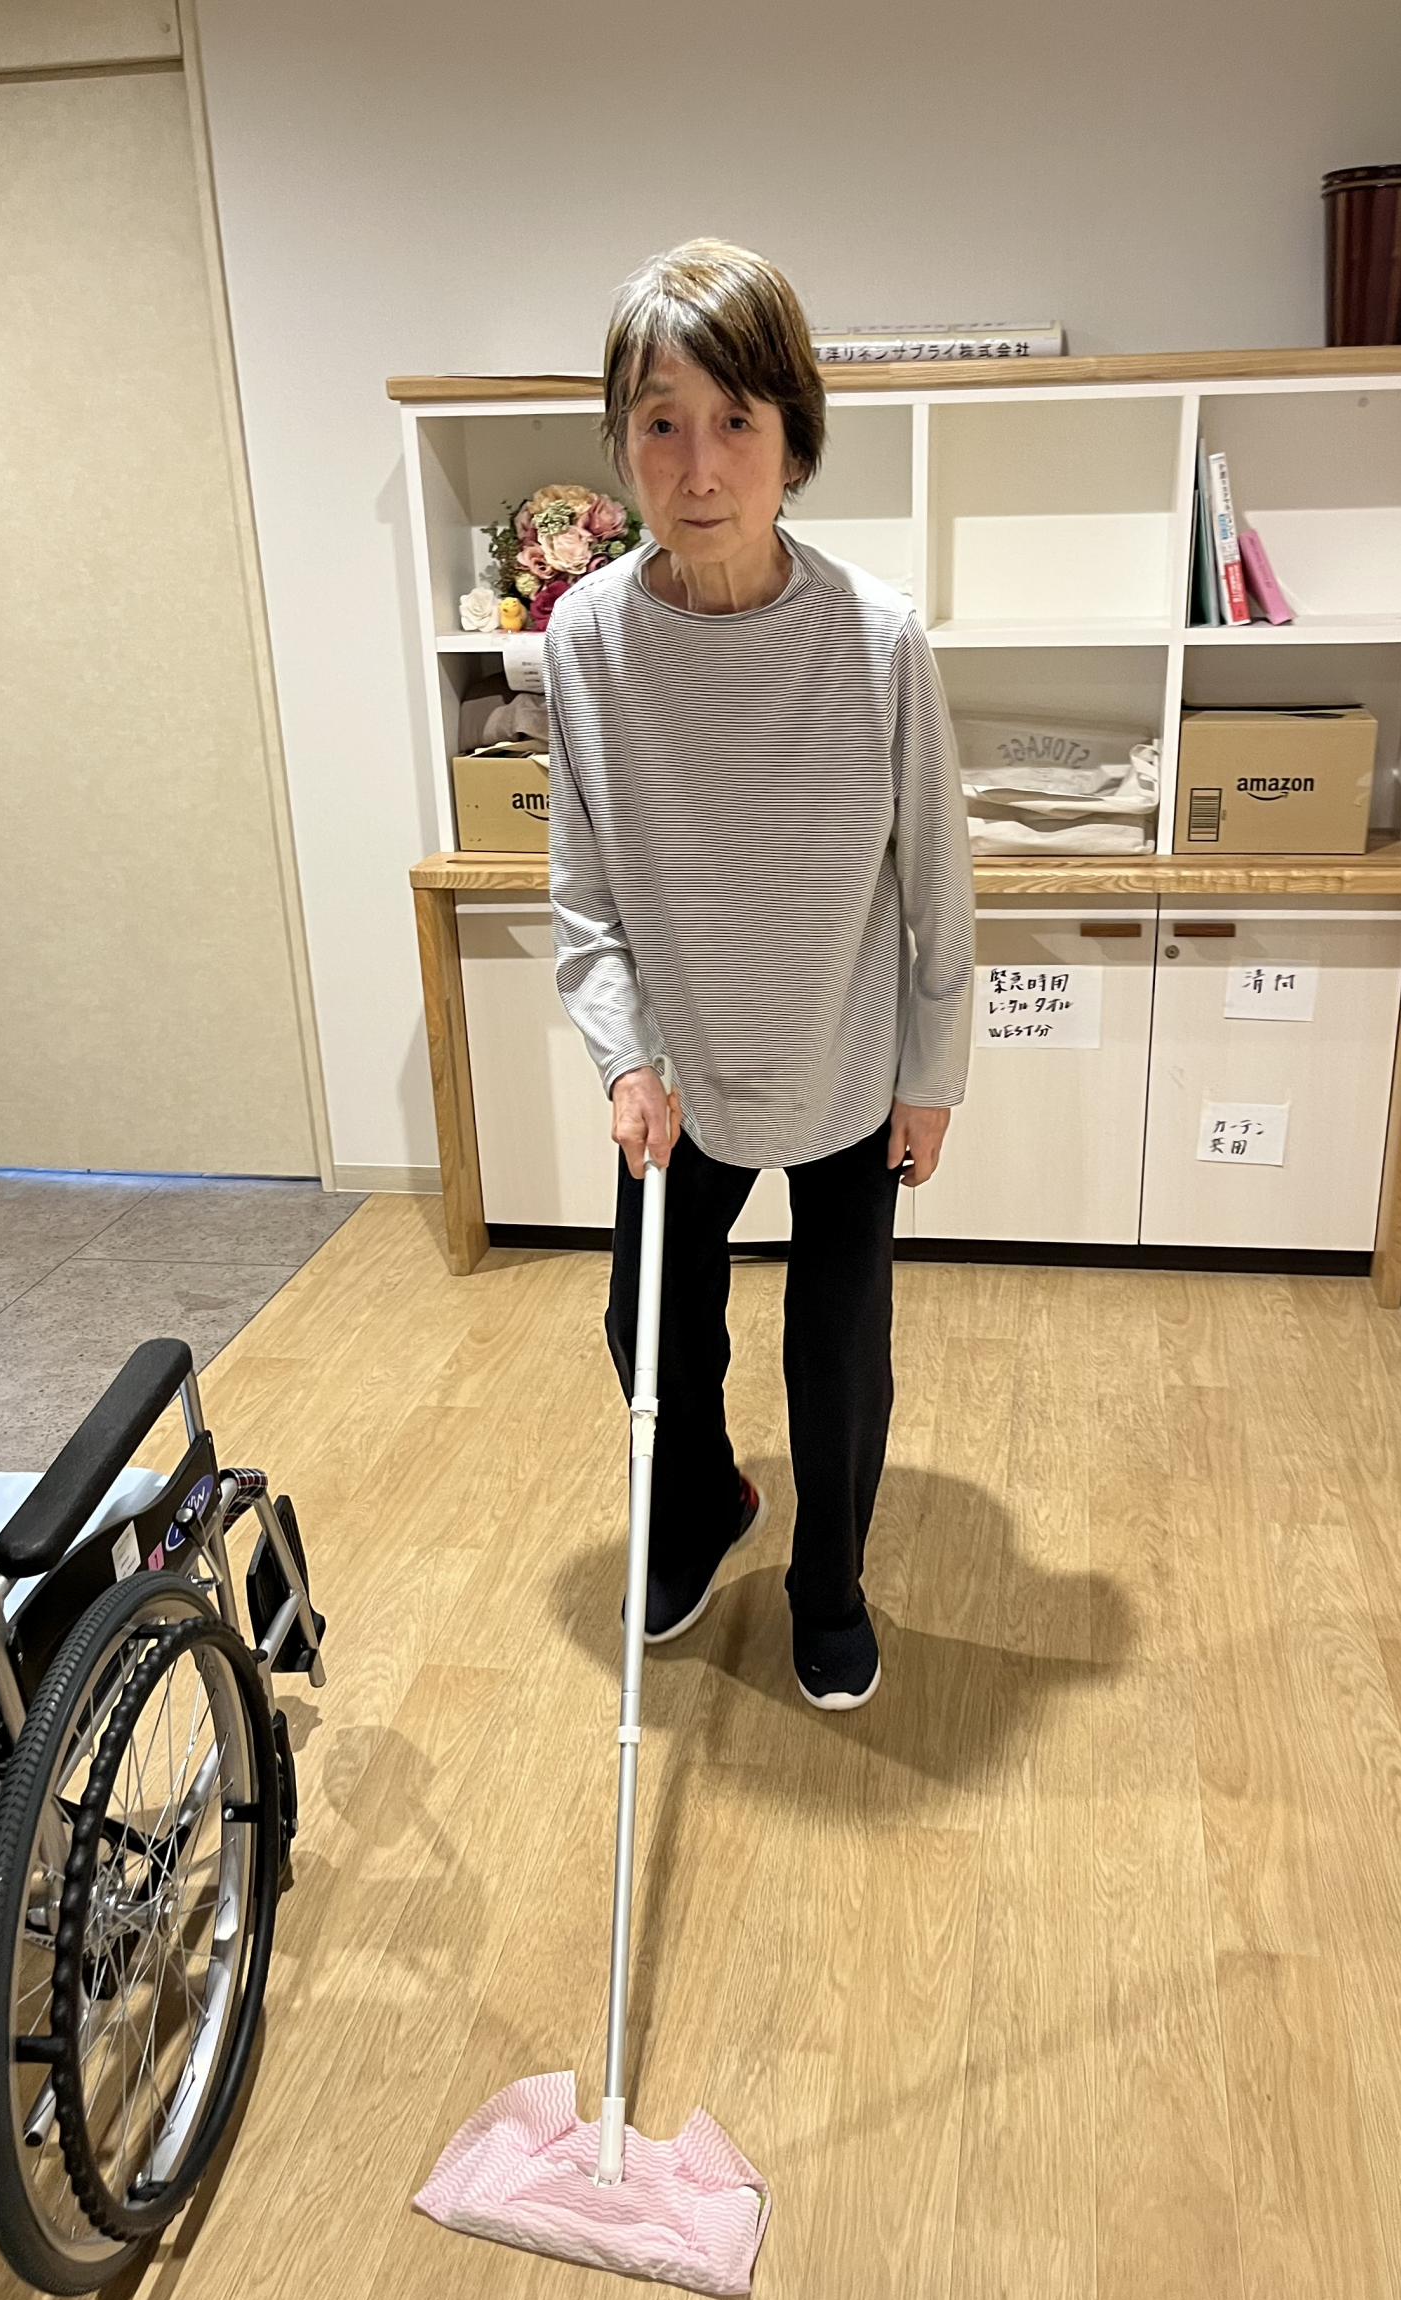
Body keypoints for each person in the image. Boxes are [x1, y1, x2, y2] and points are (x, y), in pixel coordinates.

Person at [547, 238, 973, 1710]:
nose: (699, 464)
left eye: (735, 419)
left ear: (794, 440)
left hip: (844, 1058)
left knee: (836, 1355)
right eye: (660, 422)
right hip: (682, 1069)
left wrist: (932, 1076)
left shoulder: (877, 639)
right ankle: (701, 1506)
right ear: (622, 446)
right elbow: (585, 899)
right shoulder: (584, 642)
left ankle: (829, 1584)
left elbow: (937, 881)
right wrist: (624, 1056)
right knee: (648, 1326)